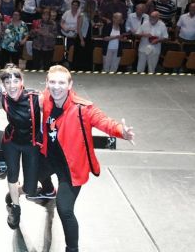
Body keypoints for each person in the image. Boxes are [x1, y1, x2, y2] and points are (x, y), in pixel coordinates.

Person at [40, 65, 135, 252]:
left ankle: (72, 249)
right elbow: (20, 95)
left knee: (65, 209)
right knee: (29, 181)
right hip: (49, 158)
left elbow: (104, 122)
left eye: (61, 82)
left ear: (70, 85)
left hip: (71, 167)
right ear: (47, 83)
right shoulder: (45, 100)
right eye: (52, 82)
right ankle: (43, 188)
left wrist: (121, 132)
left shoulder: (82, 108)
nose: (56, 87)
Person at [0, 65, 43, 229]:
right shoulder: (2, 98)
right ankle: (15, 209)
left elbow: (57, 108)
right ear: (3, 84)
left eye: (15, 81)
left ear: (22, 81)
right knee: (12, 174)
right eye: (7, 82)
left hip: (31, 144)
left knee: (31, 189)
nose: (12, 85)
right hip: (12, 142)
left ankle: (15, 192)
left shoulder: (36, 97)